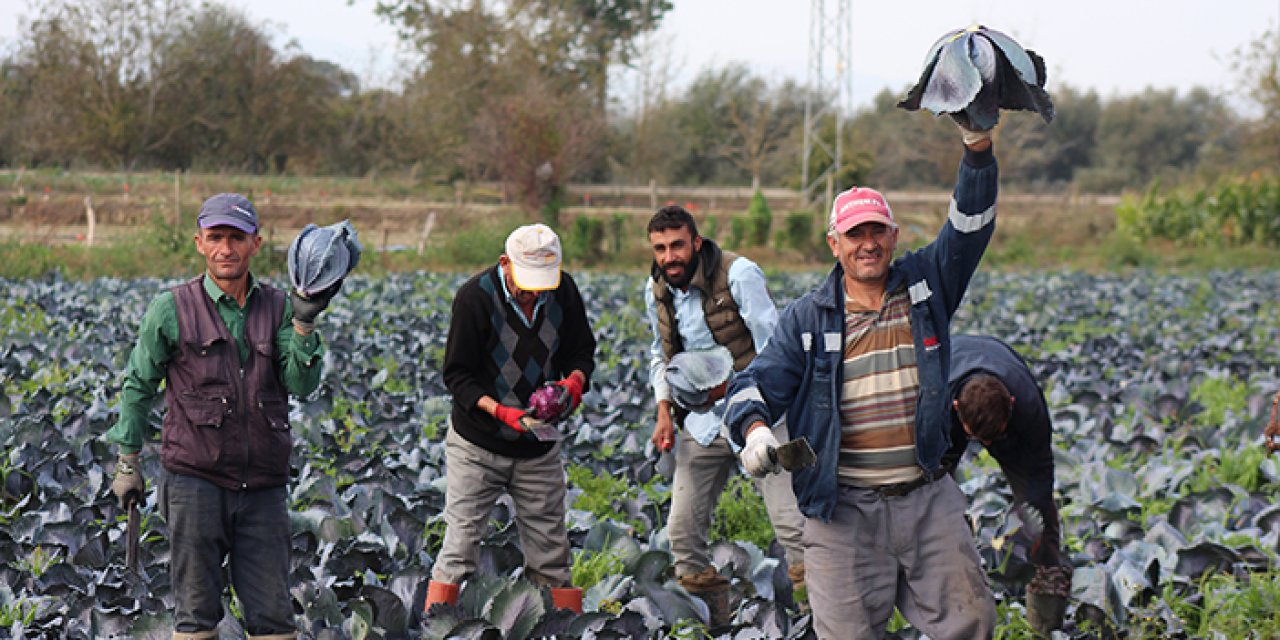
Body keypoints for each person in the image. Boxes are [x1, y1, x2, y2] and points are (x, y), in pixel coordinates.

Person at [723, 122, 1001, 639]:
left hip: (926, 498)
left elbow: (971, 226)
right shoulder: (809, 319)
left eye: (877, 231)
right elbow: (754, 384)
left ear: (893, 236)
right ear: (835, 244)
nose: (867, 244)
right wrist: (756, 430)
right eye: (855, 235)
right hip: (842, 511)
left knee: (972, 620)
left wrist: (977, 147)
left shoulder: (927, 286)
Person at [107, 193, 339, 640]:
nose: (225, 249)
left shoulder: (281, 307)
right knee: (195, 617)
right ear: (199, 242)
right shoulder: (171, 309)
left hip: (263, 487)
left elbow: (302, 386)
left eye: (237, 238)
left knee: (273, 617)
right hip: (195, 481)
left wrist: (306, 326)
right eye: (216, 238)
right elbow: (138, 386)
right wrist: (127, 463)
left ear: (257, 243)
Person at [644, 205, 807, 629]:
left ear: (696, 242)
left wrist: (731, 390)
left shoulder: (739, 274)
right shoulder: (657, 288)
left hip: (758, 416)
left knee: (794, 529)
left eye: (677, 245)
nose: (669, 256)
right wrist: (664, 409)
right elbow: (659, 355)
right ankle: (715, 621)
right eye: (660, 248)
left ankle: (819, 621)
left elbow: (774, 348)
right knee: (681, 534)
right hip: (700, 423)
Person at [424, 223, 596, 615]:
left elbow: (582, 350)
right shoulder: (475, 299)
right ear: (505, 263)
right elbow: (457, 376)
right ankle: (436, 626)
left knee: (552, 555)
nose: (535, 292)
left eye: (543, 283)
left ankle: (558, 627)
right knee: (461, 546)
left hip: (538, 446)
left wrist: (574, 381)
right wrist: (500, 411)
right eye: (528, 282)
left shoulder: (563, 291)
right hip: (477, 445)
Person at [942, 334, 1070, 636]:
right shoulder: (936, 398)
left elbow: (1039, 473)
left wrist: (1028, 528)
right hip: (949, 396)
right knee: (934, 501)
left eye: (991, 438)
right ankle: (954, 593)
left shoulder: (1027, 404)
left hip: (1007, 404)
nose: (985, 446)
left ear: (1011, 405)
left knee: (1041, 515)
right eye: (978, 439)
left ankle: (1045, 613)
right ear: (957, 407)